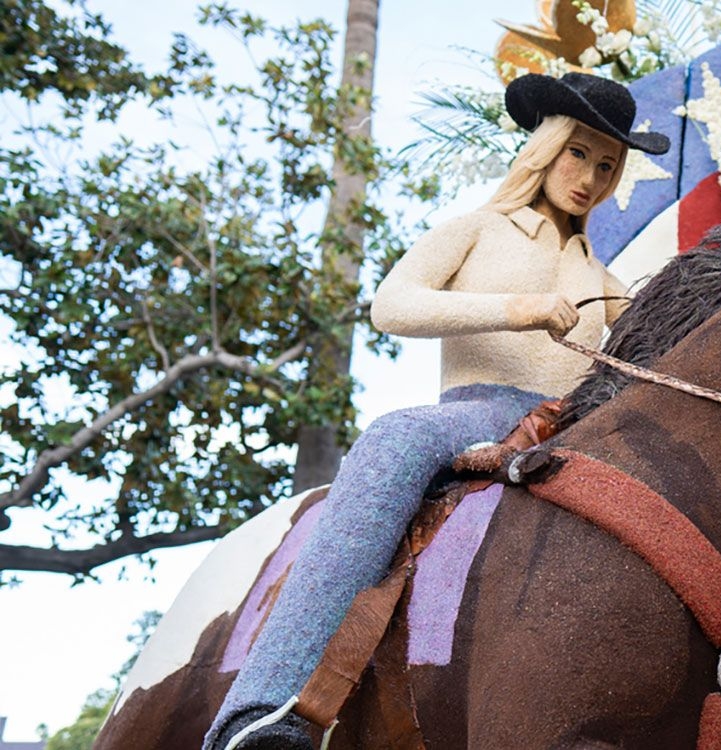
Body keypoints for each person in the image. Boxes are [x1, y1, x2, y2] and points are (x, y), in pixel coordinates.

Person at [204, 73, 669, 750]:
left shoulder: (605, 280)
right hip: (474, 413)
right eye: (580, 154)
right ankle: (262, 715)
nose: (590, 178)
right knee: (396, 434)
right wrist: (516, 311)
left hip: (570, 430)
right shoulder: (476, 230)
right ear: (546, 146)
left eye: (607, 166)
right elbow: (392, 306)